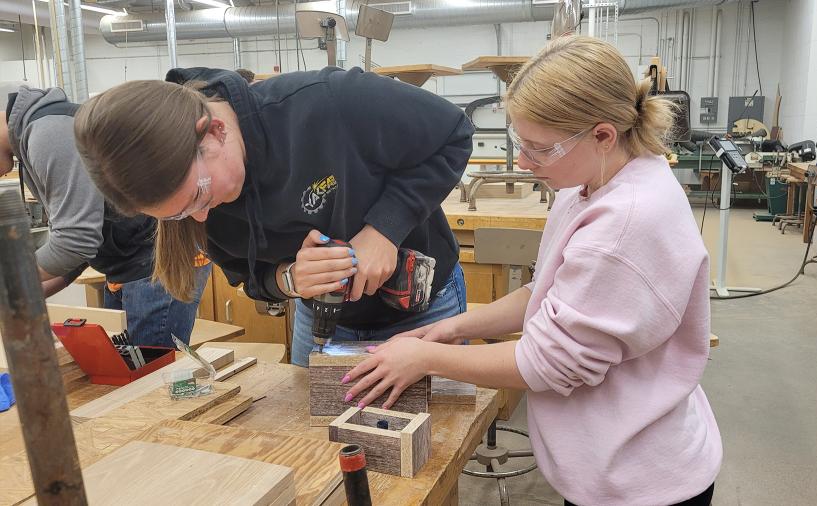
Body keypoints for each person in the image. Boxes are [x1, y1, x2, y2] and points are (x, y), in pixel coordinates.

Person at [342, 36, 723, 506]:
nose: (524, 162)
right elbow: (545, 293)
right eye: (521, 144)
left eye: (541, 149)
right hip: (609, 457)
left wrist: (425, 359)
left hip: (639, 481)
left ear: (603, 135)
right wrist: (450, 327)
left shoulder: (625, 226)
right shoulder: (590, 183)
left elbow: (547, 363)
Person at [72, 68, 473, 367]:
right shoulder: (190, 203)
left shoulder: (328, 101)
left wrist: (385, 228)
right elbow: (249, 279)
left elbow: (453, 133)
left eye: (200, 196)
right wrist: (290, 279)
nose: (204, 217)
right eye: (180, 215)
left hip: (422, 310)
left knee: (428, 455)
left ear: (213, 131)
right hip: (321, 320)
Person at [0, 82, 210, 346]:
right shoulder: (37, 136)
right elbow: (85, 239)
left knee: (148, 378)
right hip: (132, 264)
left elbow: (75, 242)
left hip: (157, 259)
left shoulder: (47, 133)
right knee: (122, 373)